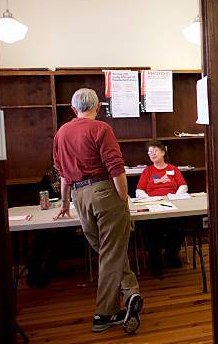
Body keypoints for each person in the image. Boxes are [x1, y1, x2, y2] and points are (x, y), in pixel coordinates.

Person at [53, 88, 143, 334]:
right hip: (105, 192)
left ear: (73, 109)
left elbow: (62, 173)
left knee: (108, 251)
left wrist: (64, 203)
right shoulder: (102, 129)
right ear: (98, 107)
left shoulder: (61, 132)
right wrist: (123, 199)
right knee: (111, 251)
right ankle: (104, 314)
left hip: (79, 197)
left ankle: (130, 292)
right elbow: (116, 167)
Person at [136, 139, 188, 277]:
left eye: (154, 151)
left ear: (163, 152)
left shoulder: (172, 169)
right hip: (152, 205)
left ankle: (171, 255)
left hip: (172, 205)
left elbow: (183, 185)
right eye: (149, 152)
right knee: (150, 228)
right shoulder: (148, 171)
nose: (151, 154)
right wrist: (148, 199)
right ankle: (156, 260)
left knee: (179, 225)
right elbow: (139, 190)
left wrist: (175, 196)